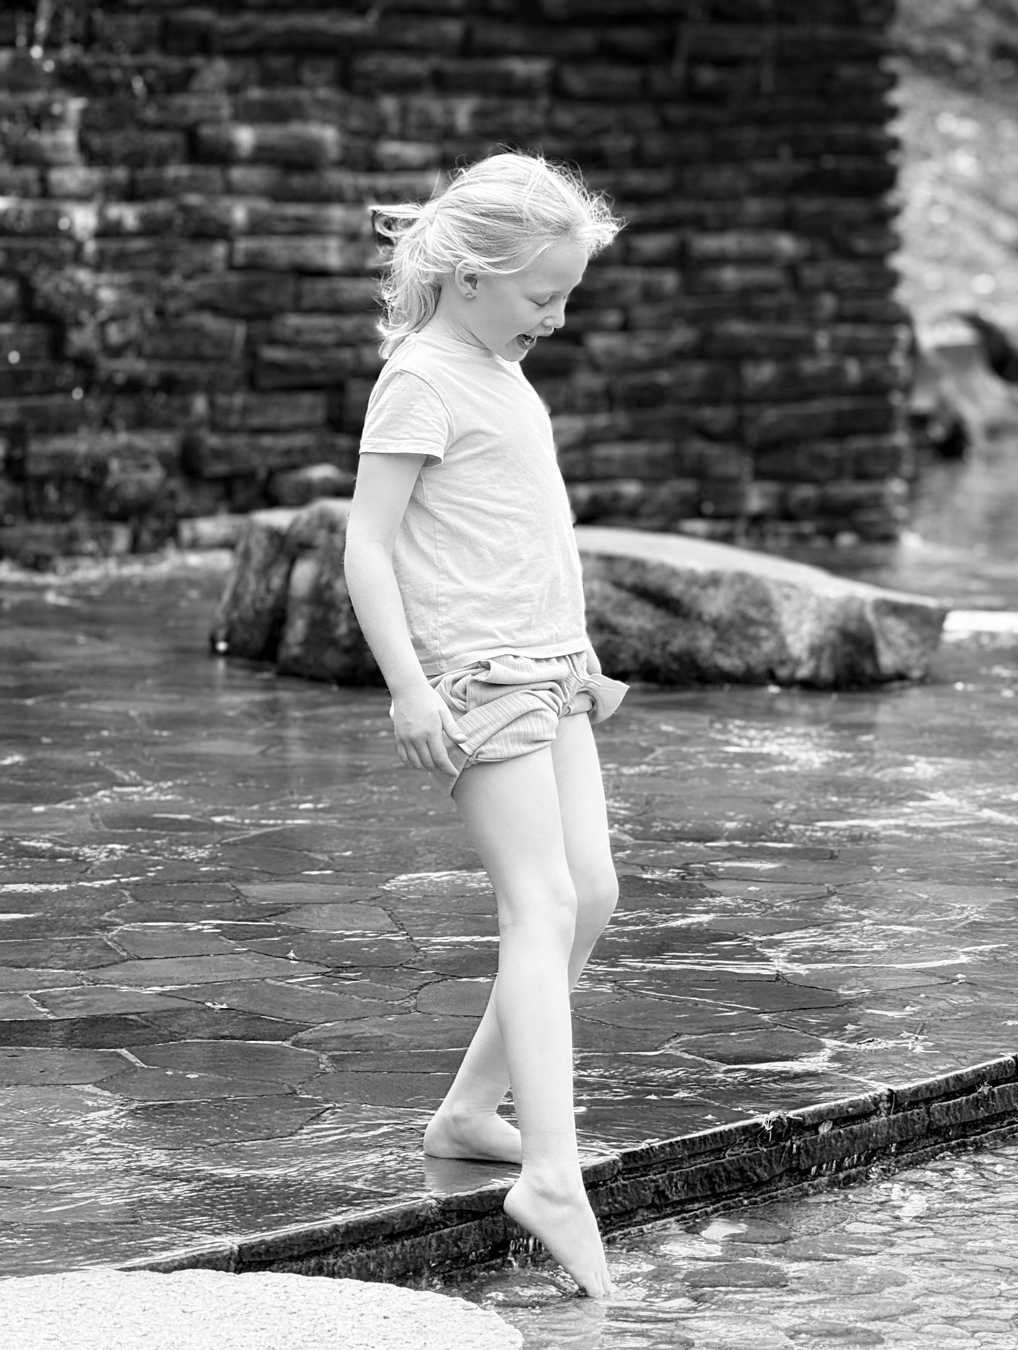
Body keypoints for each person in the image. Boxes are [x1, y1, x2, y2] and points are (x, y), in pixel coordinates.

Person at [343, 151, 627, 1295]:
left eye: (565, 296)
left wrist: (578, 647)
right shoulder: (421, 376)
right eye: (542, 295)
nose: (556, 318)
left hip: (551, 668)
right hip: (478, 679)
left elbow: (524, 527)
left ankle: (468, 1114)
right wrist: (408, 687)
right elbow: (369, 544)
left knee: (590, 893)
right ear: (468, 279)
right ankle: (550, 1175)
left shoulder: (503, 370)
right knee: (540, 904)